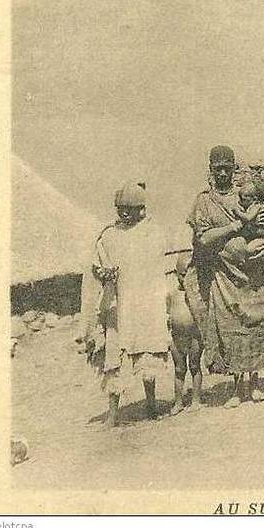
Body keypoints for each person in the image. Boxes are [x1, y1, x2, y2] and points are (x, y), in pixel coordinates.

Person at [186, 145, 264, 408]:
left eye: (228, 168)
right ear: (211, 170)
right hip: (225, 275)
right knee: (233, 326)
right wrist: (235, 226)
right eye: (218, 169)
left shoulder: (246, 197)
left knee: (257, 324)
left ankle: (255, 382)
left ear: (235, 168)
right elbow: (203, 238)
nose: (223, 173)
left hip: (256, 272)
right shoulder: (204, 201)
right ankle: (238, 387)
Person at [88, 181, 170, 427]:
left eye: (130, 208)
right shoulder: (109, 236)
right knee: (115, 355)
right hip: (119, 303)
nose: (124, 213)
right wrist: (105, 273)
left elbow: (159, 266)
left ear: (141, 209)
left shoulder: (152, 233)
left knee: (147, 354)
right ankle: (113, 414)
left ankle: (151, 405)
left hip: (145, 303)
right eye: (120, 208)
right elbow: (97, 264)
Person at [167, 252, 202, 415]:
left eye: (189, 274)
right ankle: (178, 402)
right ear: (176, 274)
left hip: (194, 335)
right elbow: (167, 313)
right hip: (177, 336)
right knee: (179, 369)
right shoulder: (172, 294)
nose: (185, 278)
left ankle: (196, 399)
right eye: (182, 274)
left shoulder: (197, 294)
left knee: (194, 366)